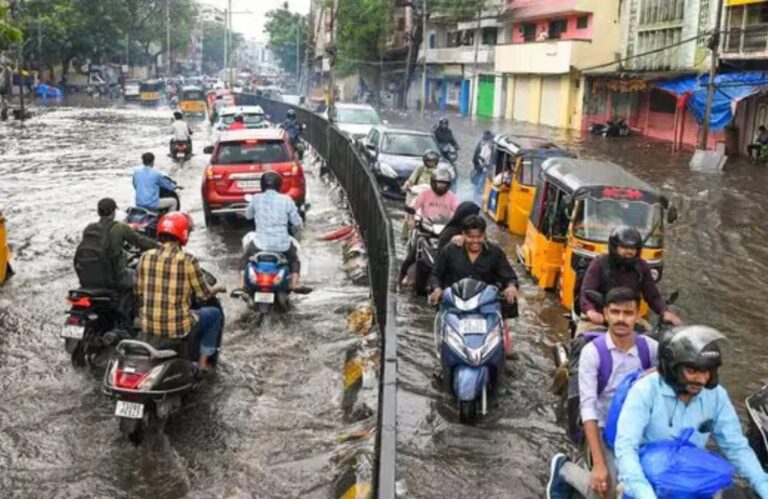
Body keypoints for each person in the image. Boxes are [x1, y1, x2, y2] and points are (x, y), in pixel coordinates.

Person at [613, 326, 768, 498]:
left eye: (706, 372)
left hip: (690, 479)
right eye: (692, 371)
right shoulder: (645, 391)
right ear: (672, 369)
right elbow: (626, 449)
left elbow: (736, 447)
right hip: (646, 481)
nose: (701, 379)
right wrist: (644, 493)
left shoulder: (716, 396)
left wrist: (763, 485)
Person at [547, 288, 658, 499]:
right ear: (606, 313)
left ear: (638, 315)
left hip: (641, 426)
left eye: (628, 313)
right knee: (608, 489)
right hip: (604, 426)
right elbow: (588, 408)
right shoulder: (593, 353)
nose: (621, 319)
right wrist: (599, 464)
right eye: (615, 312)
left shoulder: (651, 349)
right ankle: (564, 469)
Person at [135, 212, 227, 372]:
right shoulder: (188, 260)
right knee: (214, 314)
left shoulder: (145, 256)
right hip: (177, 328)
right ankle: (203, 364)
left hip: (147, 326)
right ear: (183, 234)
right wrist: (218, 288)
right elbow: (203, 294)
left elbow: (138, 290)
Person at [429, 215, 518, 356]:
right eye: (471, 237)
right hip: (456, 306)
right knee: (446, 348)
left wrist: (511, 287)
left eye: (479, 236)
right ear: (463, 234)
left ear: (484, 235)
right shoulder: (450, 250)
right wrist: (437, 288)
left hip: (485, 306)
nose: (475, 241)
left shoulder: (495, 253)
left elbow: (510, 276)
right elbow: (436, 275)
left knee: (505, 352)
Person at [576, 226, 681, 335]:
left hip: (629, 317)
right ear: (614, 247)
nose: (630, 251)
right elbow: (586, 293)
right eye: (625, 247)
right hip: (599, 317)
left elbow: (653, 296)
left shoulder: (642, 267)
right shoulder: (599, 263)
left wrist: (665, 312)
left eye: (633, 248)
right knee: (583, 341)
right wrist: (591, 311)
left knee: (652, 340)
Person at [74, 198, 159, 324]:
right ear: (114, 212)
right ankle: (138, 317)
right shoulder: (119, 228)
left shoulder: (89, 228)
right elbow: (140, 241)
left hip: (87, 280)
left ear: (98, 212)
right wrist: (159, 246)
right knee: (140, 277)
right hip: (113, 279)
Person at [398, 168, 460, 285]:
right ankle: (401, 276)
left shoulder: (452, 197)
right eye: (439, 183)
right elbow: (412, 208)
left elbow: (458, 210)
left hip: (443, 230)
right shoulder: (425, 194)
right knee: (411, 256)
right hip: (425, 229)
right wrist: (411, 221)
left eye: (444, 184)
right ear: (433, 182)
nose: (441, 186)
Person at [243, 172, 303, 289]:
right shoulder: (287, 200)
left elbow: (248, 216)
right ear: (279, 185)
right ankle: (294, 285)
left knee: (244, 258)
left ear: (262, 185)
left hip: (260, 245)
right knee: (294, 260)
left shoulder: (256, 198)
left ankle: (242, 286)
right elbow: (297, 222)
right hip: (283, 246)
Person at [472, 130, 495, 206]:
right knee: (479, 185)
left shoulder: (490, 147)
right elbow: (477, 159)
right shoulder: (482, 146)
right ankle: (477, 201)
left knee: (481, 185)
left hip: (486, 169)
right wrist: (482, 167)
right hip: (481, 169)